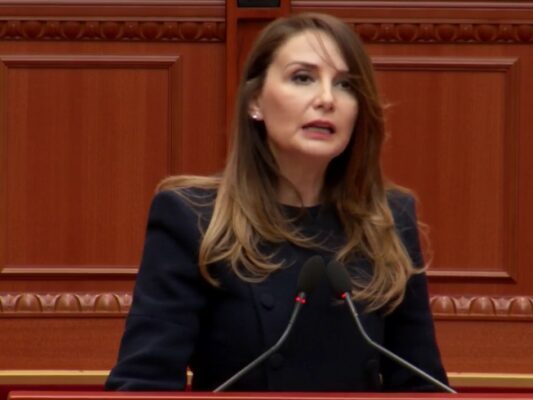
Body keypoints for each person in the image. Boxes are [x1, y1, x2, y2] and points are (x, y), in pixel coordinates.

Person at [106, 12, 449, 392]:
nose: (326, 99)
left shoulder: (388, 219)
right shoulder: (192, 217)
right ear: (255, 101)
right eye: (303, 78)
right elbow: (143, 384)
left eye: (345, 85)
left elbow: (422, 386)